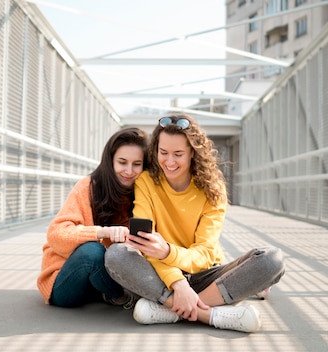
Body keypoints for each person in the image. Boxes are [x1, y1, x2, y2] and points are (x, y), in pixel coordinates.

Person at [105, 113, 285, 333]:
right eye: (163, 153)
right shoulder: (146, 182)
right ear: (156, 151)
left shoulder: (213, 188)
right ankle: (207, 314)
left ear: (193, 152)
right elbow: (146, 243)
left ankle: (172, 309)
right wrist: (178, 283)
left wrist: (168, 252)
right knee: (116, 254)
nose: (169, 162)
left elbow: (205, 253)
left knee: (271, 261)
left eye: (178, 154)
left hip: (206, 274)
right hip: (161, 275)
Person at [37, 127, 148, 309]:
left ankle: (122, 294)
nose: (129, 171)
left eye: (136, 164)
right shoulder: (88, 186)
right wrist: (101, 232)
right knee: (92, 252)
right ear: (110, 161)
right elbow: (56, 234)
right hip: (67, 280)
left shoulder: (145, 193)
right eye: (122, 162)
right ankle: (125, 297)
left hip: (106, 278)